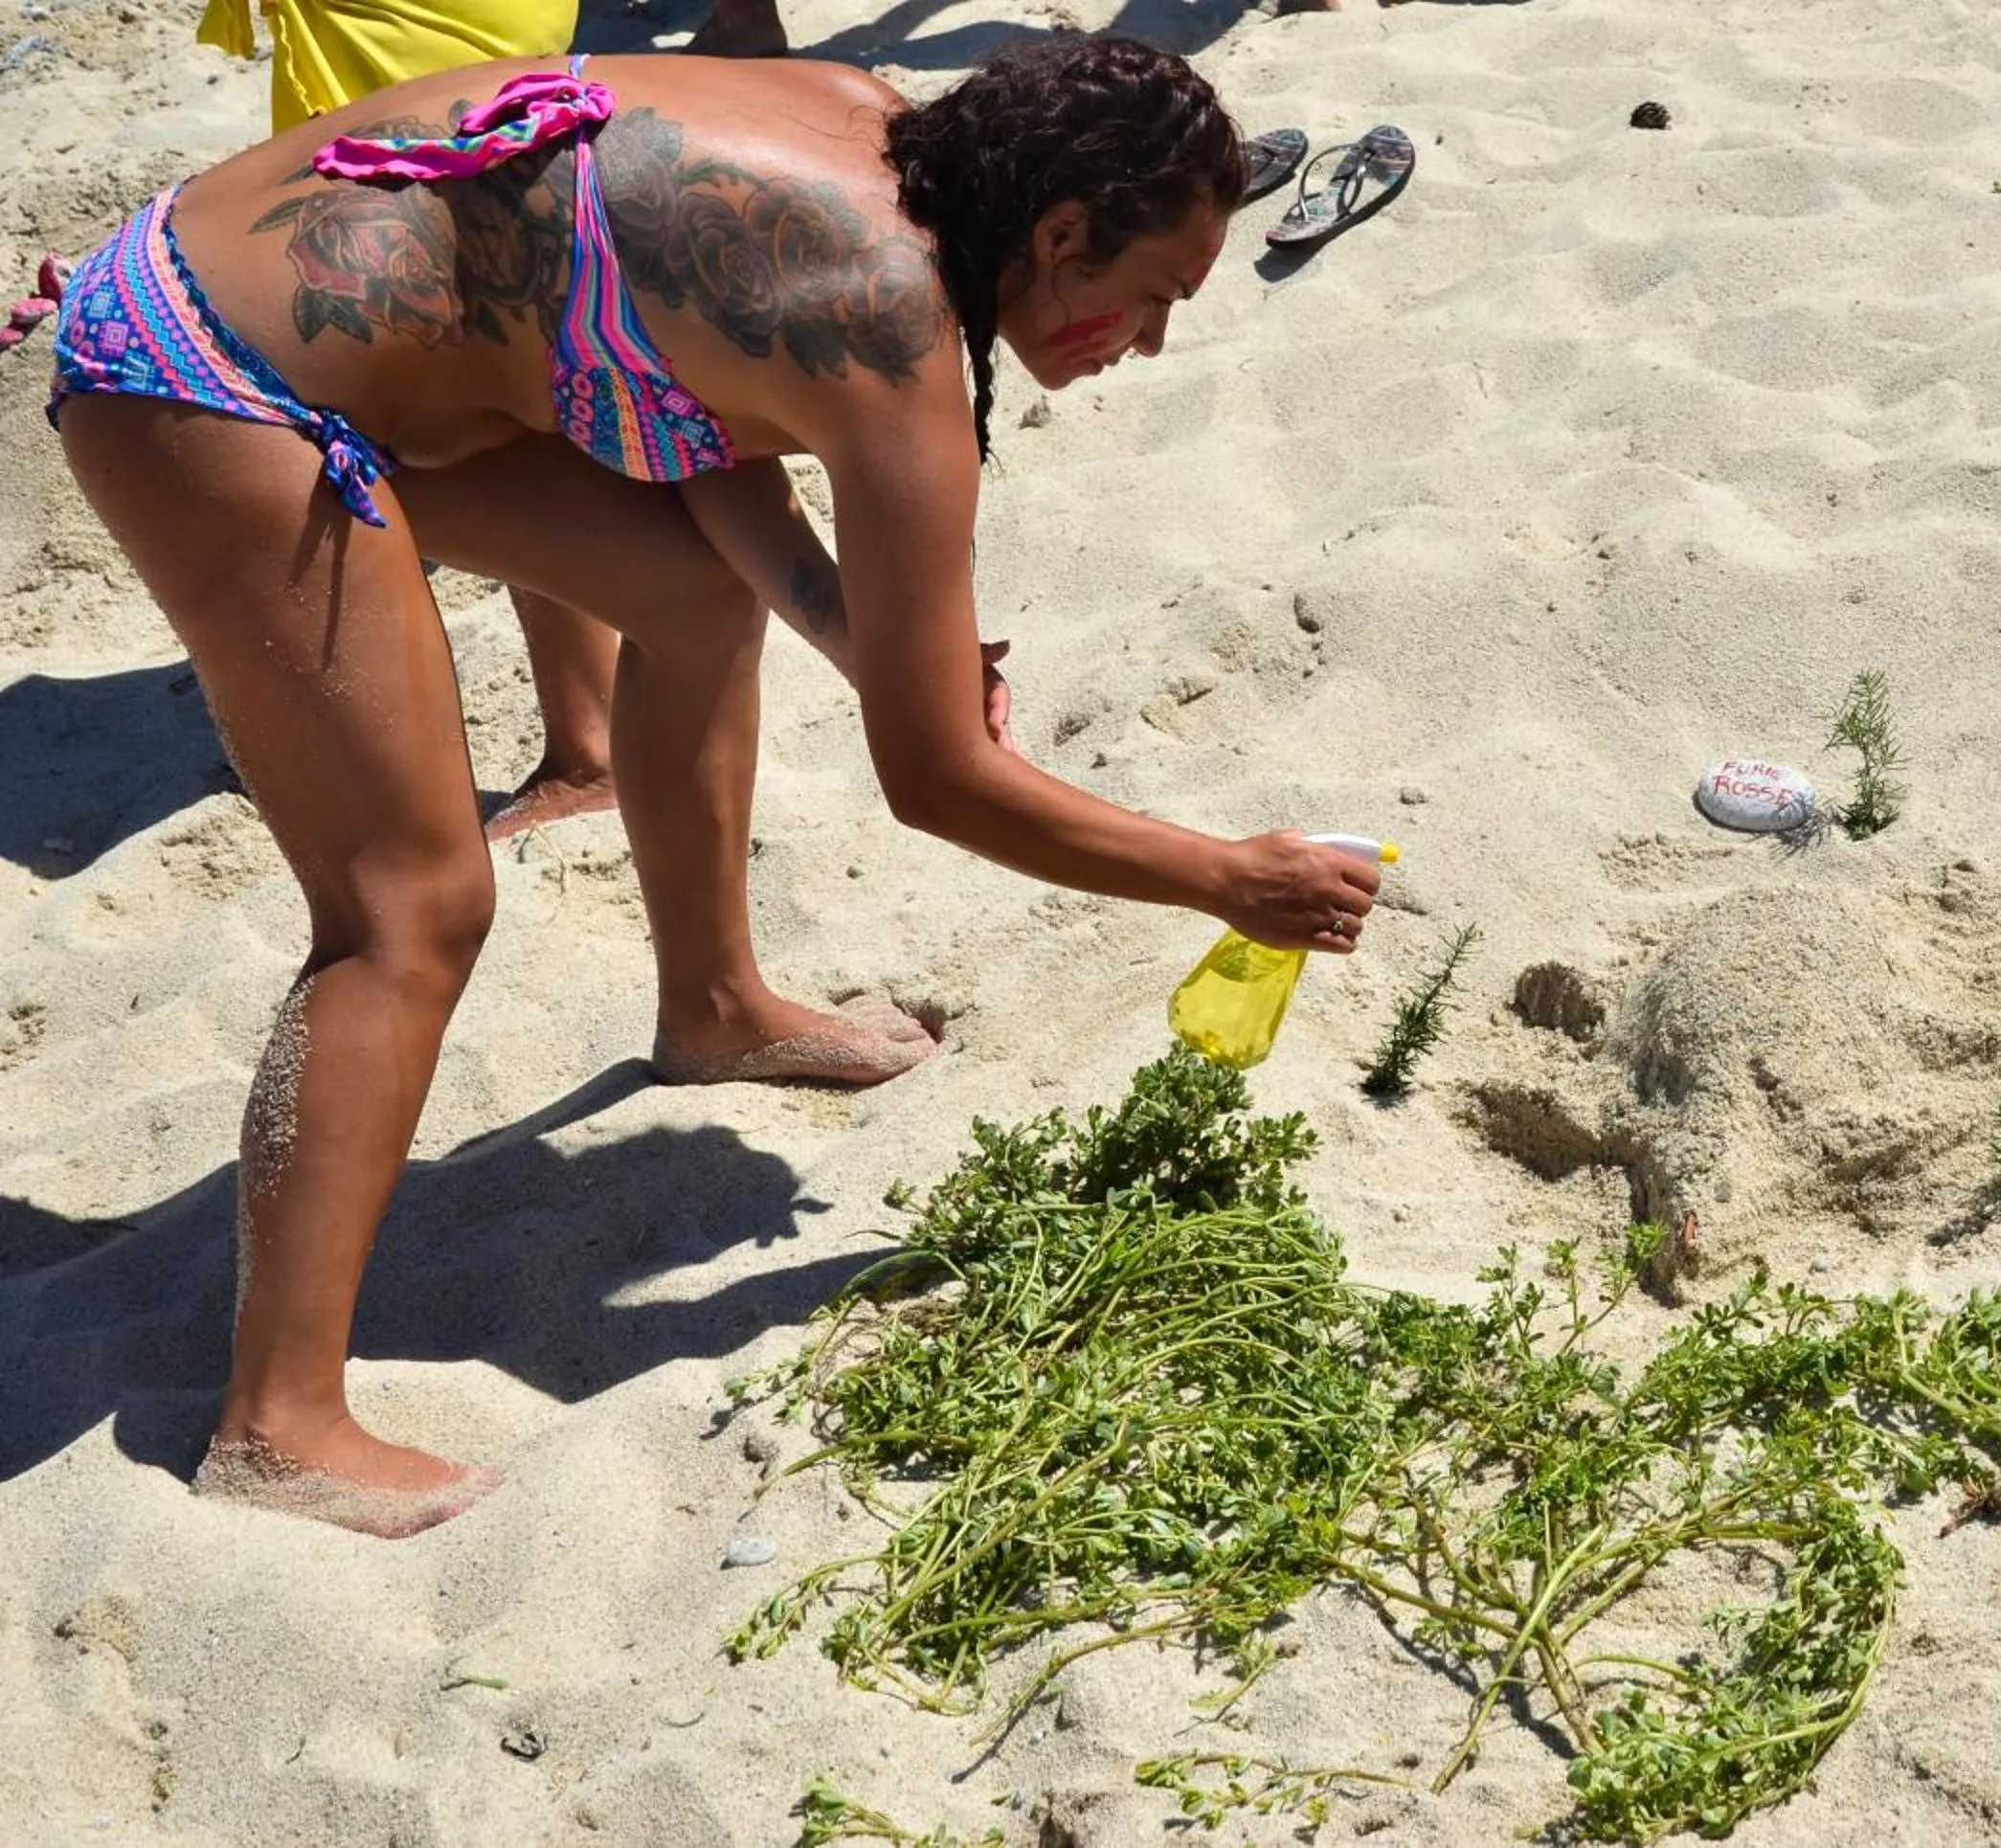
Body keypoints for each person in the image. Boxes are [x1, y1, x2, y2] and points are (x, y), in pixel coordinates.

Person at [47, 35, 1382, 1536]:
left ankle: (716, 1007)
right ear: (1062, 233)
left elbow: (692, 408)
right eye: (1155, 296)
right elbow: (938, 780)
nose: (1150, 344)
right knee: (410, 902)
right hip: (201, 372)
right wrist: (1227, 877)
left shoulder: (898, 154)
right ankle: (275, 1423)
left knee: (692, 602)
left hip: (309, 318)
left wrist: (859, 638)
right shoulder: (890, 320)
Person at [197, 0, 631, 838]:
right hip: (459, 44)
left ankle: (591, 746)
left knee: (476, 380)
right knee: (491, 366)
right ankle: (589, 737)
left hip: (411, 60)